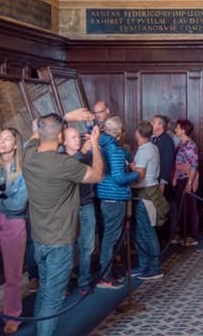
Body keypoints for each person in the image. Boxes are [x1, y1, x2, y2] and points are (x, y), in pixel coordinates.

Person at [22, 115, 104, 336]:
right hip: (60, 241)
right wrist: (96, 144)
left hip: (39, 239)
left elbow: (35, 128)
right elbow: (97, 175)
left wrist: (64, 118)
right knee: (52, 298)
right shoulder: (64, 163)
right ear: (60, 136)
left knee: (44, 292)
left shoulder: (28, 155)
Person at [0, 128, 28, 335]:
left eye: (7, 139)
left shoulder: (24, 170)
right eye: (0, 138)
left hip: (14, 224)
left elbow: (19, 205)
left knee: (13, 275)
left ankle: (12, 316)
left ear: (16, 144)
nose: (2, 142)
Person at [95, 116, 138, 289]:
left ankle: (106, 273)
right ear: (119, 132)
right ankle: (105, 276)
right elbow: (119, 178)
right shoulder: (114, 149)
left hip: (104, 194)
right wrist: (137, 174)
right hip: (115, 196)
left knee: (108, 237)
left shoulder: (100, 144)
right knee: (110, 238)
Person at [59, 127, 96, 296]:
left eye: (78, 137)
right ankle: (64, 283)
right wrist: (81, 153)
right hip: (69, 209)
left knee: (87, 246)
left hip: (87, 205)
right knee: (67, 248)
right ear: (64, 141)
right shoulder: (60, 159)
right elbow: (73, 170)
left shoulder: (87, 156)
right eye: (73, 137)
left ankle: (84, 281)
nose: (77, 140)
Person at [130, 122, 163, 280]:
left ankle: (154, 267)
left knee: (147, 232)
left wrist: (128, 174)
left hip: (145, 193)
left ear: (137, 133)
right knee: (141, 231)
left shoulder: (144, 151)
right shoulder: (152, 147)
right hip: (148, 191)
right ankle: (144, 265)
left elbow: (140, 175)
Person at [171, 119, 200, 246]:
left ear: (183, 130)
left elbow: (194, 165)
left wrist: (189, 182)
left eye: (177, 128)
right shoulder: (180, 144)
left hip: (187, 178)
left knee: (190, 207)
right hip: (179, 178)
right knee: (181, 208)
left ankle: (191, 236)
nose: (175, 130)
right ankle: (182, 234)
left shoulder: (190, 145)